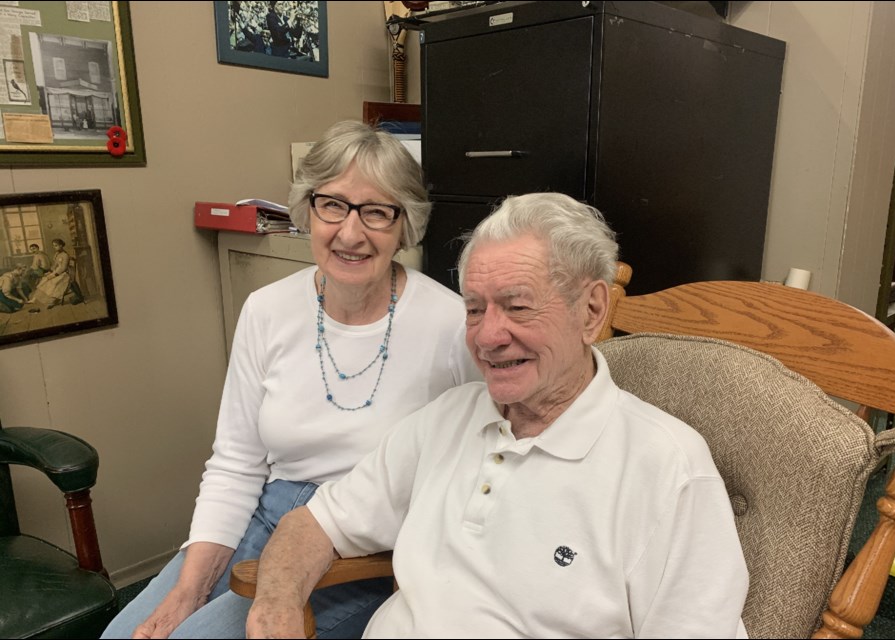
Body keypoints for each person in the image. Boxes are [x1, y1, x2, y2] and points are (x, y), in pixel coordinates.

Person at [246, 192, 750, 638]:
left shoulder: (668, 469)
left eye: (517, 307)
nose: (488, 336)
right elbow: (315, 523)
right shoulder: (448, 417)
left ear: (592, 311)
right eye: (473, 309)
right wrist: (276, 604)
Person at [101, 120, 480, 639]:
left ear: (405, 225)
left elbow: (473, 476)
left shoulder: (450, 325)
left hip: (364, 548)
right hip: (265, 515)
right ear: (307, 209)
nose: (350, 233)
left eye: (376, 212)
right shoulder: (267, 310)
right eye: (333, 205)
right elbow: (236, 464)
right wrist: (186, 592)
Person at [28, 238, 84, 308]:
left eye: (56, 245)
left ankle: (53, 300)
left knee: (52, 282)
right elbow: (55, 265)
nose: (55, 247)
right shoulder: (57, 254)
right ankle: (48, 300)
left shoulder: (65, 255)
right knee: (45, 279)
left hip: (64, 274)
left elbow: (63, 268)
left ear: (61, 245)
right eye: (54, 246)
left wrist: (54, 275)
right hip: (57, 272)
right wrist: (50, 272)